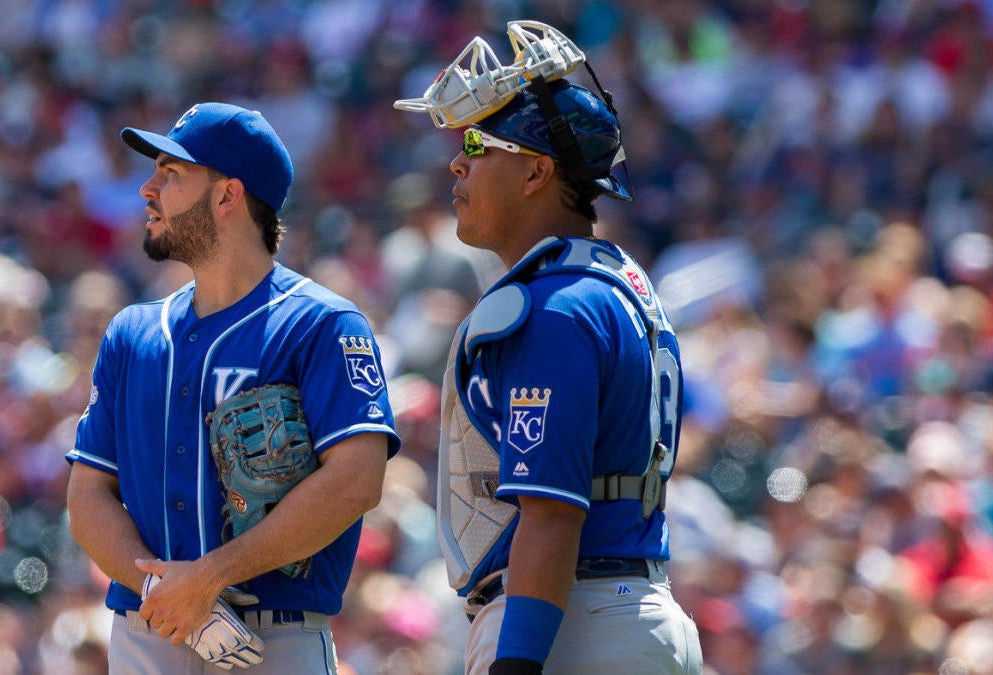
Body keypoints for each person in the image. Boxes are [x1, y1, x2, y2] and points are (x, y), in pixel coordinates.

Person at [395, 21, 702, 674]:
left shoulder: (553, 306)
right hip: (624, 608)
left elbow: (552, 513)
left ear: (536, 170)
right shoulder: (615, 282)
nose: (457, 161)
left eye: (479, 143)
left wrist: (517, 662)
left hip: (572, 621)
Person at [65, 102, 400, 674]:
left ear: (227, 197)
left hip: (271, 639)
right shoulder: (132, 332)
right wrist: (164, 591)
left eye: (171, 174)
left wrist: (211, 577)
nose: (147, 189)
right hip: (146, 630)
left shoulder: (321, 324)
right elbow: (87, 497)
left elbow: (356, 483)